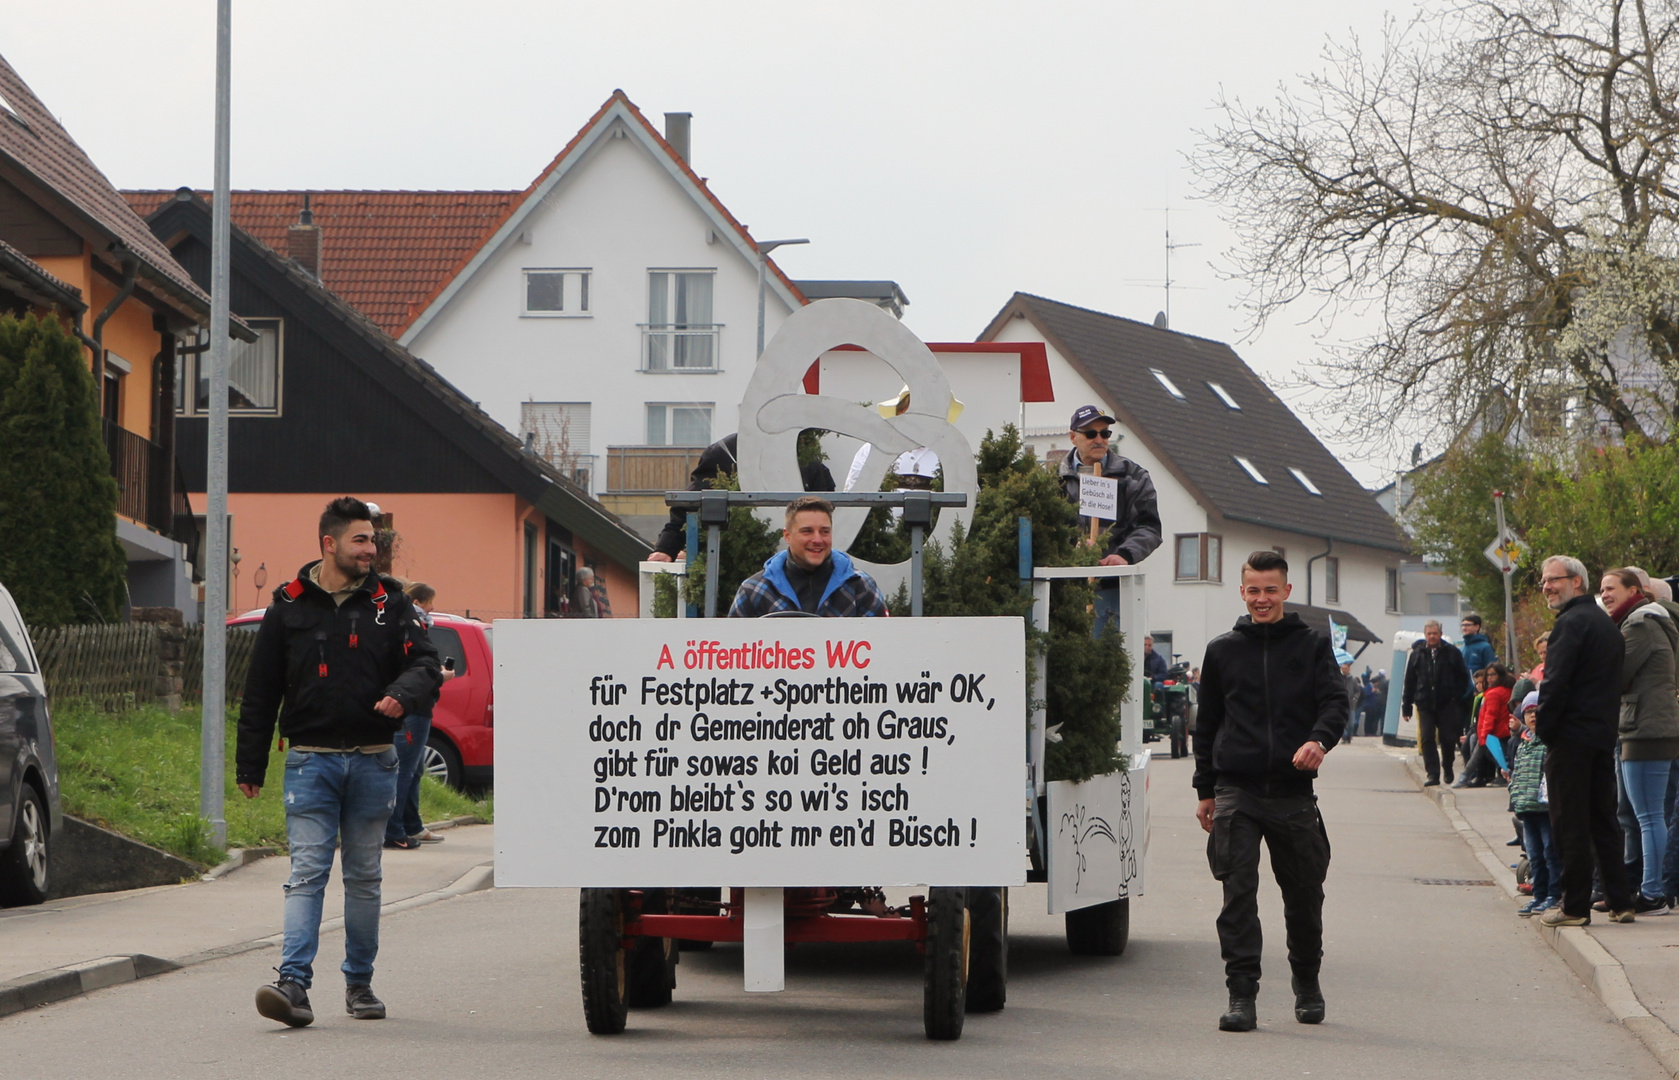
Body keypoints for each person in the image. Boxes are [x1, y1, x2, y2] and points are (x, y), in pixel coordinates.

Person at [236, 497, 442, 1027]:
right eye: (361, 540)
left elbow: (426, 664)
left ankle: (359, 984)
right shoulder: (288, 605)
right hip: (310, 762)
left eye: (374, 540)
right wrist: (250, 765)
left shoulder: (391, 605)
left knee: (365, 877)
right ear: (329, 544)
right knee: (306, 873)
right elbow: (261, 690)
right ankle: (293, 986)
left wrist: (402, 692)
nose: (372, 549)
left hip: (375, 762)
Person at [1194, 550, 1345, 1032]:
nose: (1262, 598)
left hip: (1292, 793)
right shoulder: (1222, 651)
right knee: (1237, 897)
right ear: (1242, 593)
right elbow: (1208, 724)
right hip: (1236, 789)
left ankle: (1307, 983)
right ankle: (1242, 997)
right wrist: (1205, 789)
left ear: (1286, 591)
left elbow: (1336, 703)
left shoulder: (1313, 645)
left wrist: (1318, 741)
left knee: (1304, 896)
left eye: (1270, 589)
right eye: (1253, 590)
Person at [1532, 555, 1633, 927]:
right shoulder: (1607, 626)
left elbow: (1555, 683)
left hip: (1570, 737)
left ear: (1576, 582)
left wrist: (1544, 729)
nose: (1546, 587)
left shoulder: (1570, 624)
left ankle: (1574, 906)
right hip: (1601, 734)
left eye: (1552, 580)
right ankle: (1620, 900)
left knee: (1569, 822)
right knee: (1604, 819)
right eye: (1543, 581)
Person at [1600, 567, 1678, 915]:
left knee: (1648, 816)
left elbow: (1614, 676)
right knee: (1643, 816)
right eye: (1601, 588)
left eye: (1611, 587)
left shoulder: (1640, 624)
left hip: (1646, 729)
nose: (1604, 594)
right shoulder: (1640, 621)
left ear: (1635, 591)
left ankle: (1653, 893)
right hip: (1644, 726)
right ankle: (1644, 887)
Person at [647, 432, 837, 561]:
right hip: (731, 560)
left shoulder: (804, 456)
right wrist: (665, 549)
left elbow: (826, 505)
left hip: (796, 559)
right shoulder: (724, 453)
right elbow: (689, 506)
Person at [1056, 404, 1162, 633]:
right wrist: (1072, 547)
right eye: (1091, 433)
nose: (1099, 439)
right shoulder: (1054, 480)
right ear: (1073, 437)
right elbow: (1045, 532)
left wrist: (1124, 555)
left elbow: (1149, 527)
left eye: (1105, 433)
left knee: (1111, 655)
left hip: (1115, 587)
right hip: (1066, 587)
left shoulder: (1133, 476)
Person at [728, 496, 889, 618]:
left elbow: (882, 647)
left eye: (824, 531)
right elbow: (732, 651)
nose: (817, 540)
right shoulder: (753, 591)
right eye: (807, 531)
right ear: (787, 535)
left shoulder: (861, 587)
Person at [384, 582, 456, 851]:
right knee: (404, 770)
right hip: (412, 707)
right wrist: (439, 676)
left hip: (419, 707)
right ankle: (394, 830)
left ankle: (411, 824)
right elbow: (410, 671)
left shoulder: (413, 625)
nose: (432, 608)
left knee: (415, 770)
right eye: (428, 603)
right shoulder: (406, 627)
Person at [1401, 620, 1471, 786]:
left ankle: (1447, 766)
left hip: (1447, 703)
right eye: (1429, 634)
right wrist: (1407, 706)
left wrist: (1456, 697)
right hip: (1424, 703)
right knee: (1427, 738)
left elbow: (1463, 677)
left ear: (1440, 634)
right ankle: (1432, 773)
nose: (1432, 636)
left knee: (1448, 738)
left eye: (1435, 633)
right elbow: (1409, 681)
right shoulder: (1417, 654)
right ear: (1425, 635)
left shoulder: (1452, 652)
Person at [1509, 692, 1560, 916]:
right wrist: (1515, 796)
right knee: (1534, 854)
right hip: (1527, 808)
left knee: (1551, 852)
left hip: (1546, 808)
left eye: (1537, 712)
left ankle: (1554, 893)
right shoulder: (1524, 744)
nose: (1533, 716)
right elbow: (1517, 774)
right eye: (1529, 712)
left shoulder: (1549, 742)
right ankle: (1539, 895)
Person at [1457, 664, 1514, 788]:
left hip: (1493, 731)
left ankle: (1466, 776)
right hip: (1502, 730)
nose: (1489, 678)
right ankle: (1470, 776)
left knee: (1485, 754)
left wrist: (1484, 734)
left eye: (1493, 674)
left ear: (1500, 675)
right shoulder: (1506, 690)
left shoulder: (1494, 693)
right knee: (1498, 755)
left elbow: (1490, 715)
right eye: (1488, 675)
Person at [1460, 614, 1497, 679]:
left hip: (1479, 686)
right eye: (1462, 625)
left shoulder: (1485, 647)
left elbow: (1491, 670)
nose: (1464, 628)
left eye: (1467, 625)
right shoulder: (1462, 648)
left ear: (1477, 627)